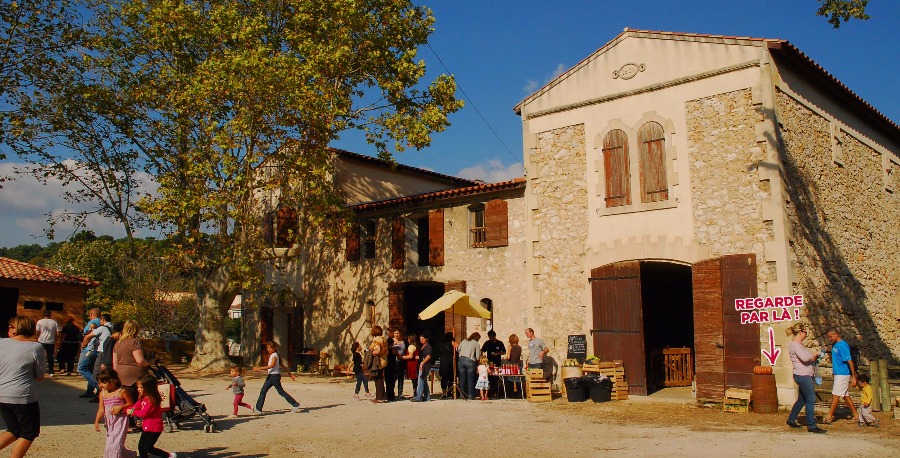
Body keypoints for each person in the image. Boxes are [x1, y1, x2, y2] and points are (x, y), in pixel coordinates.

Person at [0, 316, 47, 458]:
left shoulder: (1, 343)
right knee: (29, 432)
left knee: (14, 429)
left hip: (2, 394)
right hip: (22, 396)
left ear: (17, 329)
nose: (8, 328)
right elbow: (39, 376)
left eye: (11, 326)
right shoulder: (36, 347)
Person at [784, 323, 826, 434]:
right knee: (811, 399)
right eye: (805, 332)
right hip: (803, 375)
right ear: (800, 332)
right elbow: (805, 358)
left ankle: (791, 419)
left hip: (804, 374)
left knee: (802, 399)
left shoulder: (798, 345)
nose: (806, 334)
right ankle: (811, 425)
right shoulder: (795, 345)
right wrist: (815, 353)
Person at [127, 375, 177, 458]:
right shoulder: (143, 398)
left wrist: (132, 412)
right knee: (141, 447)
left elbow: (144, 413)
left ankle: (168, 456)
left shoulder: (152, 400)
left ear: (148, 388)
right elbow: (136, 406)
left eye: (141, 387)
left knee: (148, 448)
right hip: (146, 427)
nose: (138, 389)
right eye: (138, 387)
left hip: (154, 428)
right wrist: (124, 410)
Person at [94, 368, 135, 457]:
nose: (101, 385)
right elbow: (101, 409)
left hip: (120, 420)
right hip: (109, 421)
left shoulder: (121, 391)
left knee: (115, 443)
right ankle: (129, 455)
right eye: (100, 383)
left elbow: (131, 403)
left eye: (104, 383)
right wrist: (97, 420)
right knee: (112, 441)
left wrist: (120, 407)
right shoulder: (102, 394)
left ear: (113, 381)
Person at [252, 341, 300, 414]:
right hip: (271, 376)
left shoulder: (275, 355)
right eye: (268, 348)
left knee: (281, 392)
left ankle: (295, 405)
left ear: (275, 348)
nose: (269, 349)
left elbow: (272, 365)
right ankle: (258, 409)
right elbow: (283, 366)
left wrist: (259, 368)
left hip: (274, 377)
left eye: (271, 348)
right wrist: (290, 374)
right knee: (263, 391)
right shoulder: (274, 355)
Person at [823, 328, 858, 424]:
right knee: (845, 396)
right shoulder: (835, 345)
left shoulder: (843, 345)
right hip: (838, 373)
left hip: (843, 374)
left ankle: (829, 416)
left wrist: (854, 376)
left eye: (831, 337)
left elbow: (849, 361)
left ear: (836, 334)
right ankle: (856, 415)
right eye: (829, 337)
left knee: (835, 395)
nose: (830, 339)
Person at [113, 320, 150, 406]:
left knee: (125, 401)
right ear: (136, 329)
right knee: (135, 401)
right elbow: (139, 360)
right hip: (134, 376)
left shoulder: (118, 343)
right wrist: (148, 363)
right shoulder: (135, 341)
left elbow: (114, 363)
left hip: (120, 375)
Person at [82, 313, 114, 402]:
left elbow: (88, 336)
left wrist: (83, 345)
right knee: (105, 372)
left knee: (96, 373)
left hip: (102, 352)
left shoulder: (102, 328)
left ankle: (100, 393)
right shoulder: (112, 328)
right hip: (110, 352)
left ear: (103, 320)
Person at [77, 309, 102, 398]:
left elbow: (87, 335)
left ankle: (98, 386)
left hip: (89, 349)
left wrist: (83, 346)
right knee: (92, 370)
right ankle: (89, 391)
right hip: (98, 350)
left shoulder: (92, 322)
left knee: (81, 368)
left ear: (91, 314)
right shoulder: (102, 323)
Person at [481, 330, 505, 397]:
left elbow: (504, 352)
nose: (490, 339)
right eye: (489, 337)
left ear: (494, 336)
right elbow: (482, 350)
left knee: (496, 378)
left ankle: (496, 392)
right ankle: (489, 393)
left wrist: (497, 353)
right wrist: (482, 358)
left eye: (491, 337)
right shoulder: (487, 343)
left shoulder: (500, 343)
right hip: (489, 363)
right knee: (489, 378)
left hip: (497, 363)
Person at [457, 332, 481, 400]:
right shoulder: (476, 344)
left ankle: (462, 395)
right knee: (470, 379)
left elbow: (458, 349)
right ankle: (470, 395)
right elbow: (477, 357)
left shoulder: (464, 341)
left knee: (462, 379)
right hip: (470, 361)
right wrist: (478, 364)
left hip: (461, 360)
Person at [35, 310, 59, 378]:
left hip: (41, 340)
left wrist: (36, 339)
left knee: (40, 356)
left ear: (43, 315)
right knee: (50, 356)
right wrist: (56, 339)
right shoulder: (54, 322)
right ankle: (51, 371)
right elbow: (58, 332)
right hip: (50, 341)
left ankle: (39, 370)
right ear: (50, 315)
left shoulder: (40, 321)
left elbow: (37, 331)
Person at [367, 326, 387, 403]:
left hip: (378, 361)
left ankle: (380, 397)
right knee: (380, 378)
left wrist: (371, 353)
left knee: (377, 378)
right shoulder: (383, 339)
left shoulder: (377, 340)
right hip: (383, 359)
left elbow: (377, 350)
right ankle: (382, 396)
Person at [411, 334, 433, 402]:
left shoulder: (428, 347)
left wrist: (422, 362)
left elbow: (428, 356)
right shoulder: (423, 346)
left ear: (426, 339)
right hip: (422, 364)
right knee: (424, 381)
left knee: (420, 380)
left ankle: (418, 397)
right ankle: (427, 397)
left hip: (425, 365)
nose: (421, 340)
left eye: (423, 339)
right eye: (420, 339)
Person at [392, 330, 406, 398]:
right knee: (394, 377)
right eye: (395, 333)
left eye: (398, 333)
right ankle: (392, 392)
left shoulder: (403, 342)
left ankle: (400, 393)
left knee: (401, 377)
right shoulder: (391, 341)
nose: (396, 334)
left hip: (402, 361)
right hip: (394, 361)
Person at [384, 333, 397, 402]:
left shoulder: (385, 351)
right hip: (393, 366)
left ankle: (388, 395)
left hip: (387, 367)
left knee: (387, 382)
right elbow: (398, 356)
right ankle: (391, 395)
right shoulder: (394, 350)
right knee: (392, 382)